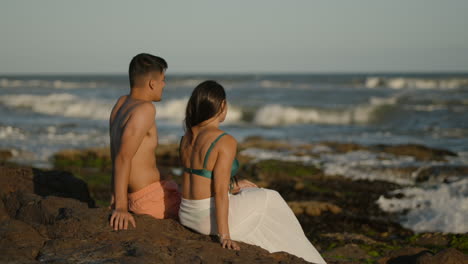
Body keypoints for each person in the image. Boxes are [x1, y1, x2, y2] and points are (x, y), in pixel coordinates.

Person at [178, 80, 326, 264]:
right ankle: (312, 260)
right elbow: (220, 193)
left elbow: (197, 177)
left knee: (249, 190)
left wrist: (233, 185)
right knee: (270, 197)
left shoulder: (186, 137)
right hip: (206, 220)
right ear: (222, 105)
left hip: (186, 213)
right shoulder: (224, 140)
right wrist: (224, 235)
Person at [109, 53, 181, 231]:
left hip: (143, 194)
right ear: (152, 83)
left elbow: (114, 152)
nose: (164, 85)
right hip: (149, 200)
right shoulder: (145, 109)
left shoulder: (121, 103)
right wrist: (120, 207)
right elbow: (122, 157)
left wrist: (115, 195)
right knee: (212, 205)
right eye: (163, 80)